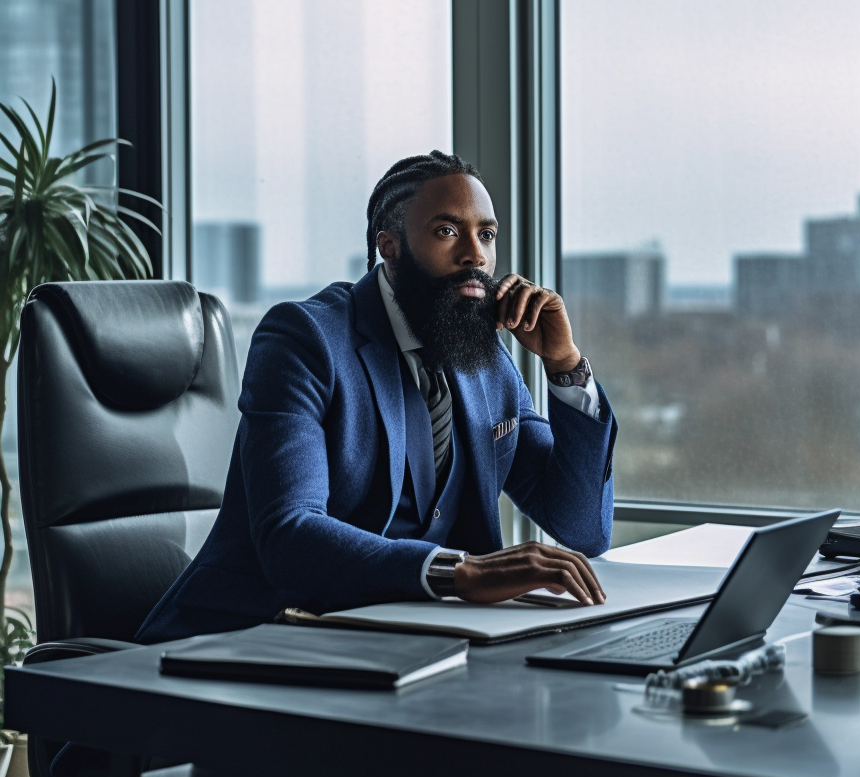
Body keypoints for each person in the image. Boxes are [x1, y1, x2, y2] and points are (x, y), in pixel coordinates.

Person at [136, 151, 617, 644]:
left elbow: (582, 529)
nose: (475, 255)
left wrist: (564, 365)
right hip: (242, 645)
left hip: (408, 646)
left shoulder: (485, 358)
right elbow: (289, 535)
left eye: (486, 235)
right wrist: (459, 573)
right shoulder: (305, 338)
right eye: (447, 231)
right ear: (390, 246)